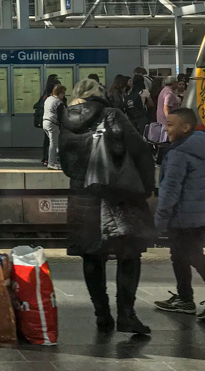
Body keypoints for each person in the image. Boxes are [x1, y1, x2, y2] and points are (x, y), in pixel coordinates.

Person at [59, 78, 156, 336]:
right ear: (99, 95)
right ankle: (126, 315)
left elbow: (66, 165)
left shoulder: (67, 120)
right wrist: (146, 188)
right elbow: (140, 150)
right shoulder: (113, 114)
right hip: (118, 194)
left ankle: (102, 315)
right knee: (128, 254)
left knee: (91, 255)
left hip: (82, 194)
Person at [153, 109, 205, 322]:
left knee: (191, 254)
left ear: (185, 127)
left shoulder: (178, 154)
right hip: (203, 214)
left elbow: (170, 191)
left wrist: (159, 220)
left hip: (183, 216)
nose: (166, 129)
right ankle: (185, 299)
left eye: (170, 125)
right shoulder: (202, 146)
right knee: (180, 255)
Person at [34, 74, 59, 165]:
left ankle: (46, 158)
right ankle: (50, 159)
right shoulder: (53, 98)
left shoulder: (45, 95)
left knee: (48, 140)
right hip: (52, 121)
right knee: (52, 141)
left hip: (45, 121)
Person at [42, 84, 66, 170]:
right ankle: (51, 163)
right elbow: (62, 116)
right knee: (53, 144)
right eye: (63, 93)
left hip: (45, 122)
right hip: (53, 123)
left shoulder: (48, 99)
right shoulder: (58, 102)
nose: (63, 95)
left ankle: (54, 161)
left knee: (53, 143)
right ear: (60, 93)